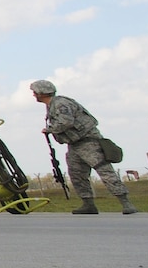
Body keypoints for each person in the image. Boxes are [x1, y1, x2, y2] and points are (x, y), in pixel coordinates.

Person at [31, 80, 138, 215]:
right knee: (77, 175)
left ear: (42, 92)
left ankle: (126, 203)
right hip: (75, 145)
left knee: (105, 172)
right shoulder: (52, 105)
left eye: (35, 92)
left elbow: (66, 122)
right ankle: (88, 204)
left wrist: (50, 129)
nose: (34, 95)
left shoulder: (60, 103)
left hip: (88, 143)